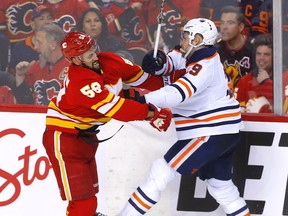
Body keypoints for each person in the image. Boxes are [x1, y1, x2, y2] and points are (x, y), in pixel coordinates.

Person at [118, 18, 250, 216]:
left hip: (209, 132)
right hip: (223, 133)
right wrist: (160, 62)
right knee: (220, 187)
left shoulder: (204, 65)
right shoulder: (193, 54)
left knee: (160, 172)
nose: (182, 40)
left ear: (198, 39)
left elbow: (176, 93)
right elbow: (171, 62)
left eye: (186, 36)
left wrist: (141, 99)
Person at [42, 31, 172, 216]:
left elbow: (146, 81)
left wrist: (167, 73)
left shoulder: (110, 61)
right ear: (77, 60)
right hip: (64, 140)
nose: (95, 55)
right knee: (84, 203)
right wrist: (152, 114)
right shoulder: (81, 82)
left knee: (88, 198)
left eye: (93, 49)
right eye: (89, 54)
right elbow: (118, 108)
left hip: (85, 137)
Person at [14, 23, 69, 105]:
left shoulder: (76, 68)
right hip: (37, 117)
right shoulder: (35, 67)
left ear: (52, 45)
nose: (35, 47)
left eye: (39, 42)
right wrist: (20, 75)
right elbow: (25, 103)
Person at [235, 33, 288, 113]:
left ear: (275, 56)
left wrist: (266, 82)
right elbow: (237, 112)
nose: (261, 58)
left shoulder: (286, 78)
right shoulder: (245, 81)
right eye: (258, 54)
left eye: (266, 54)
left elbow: (284, 108)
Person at [101, 0, 151, 65]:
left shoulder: (137, 2)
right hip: (125, 50)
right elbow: (113, 28)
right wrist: (131, 10)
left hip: (146, 46)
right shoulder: (108, 9)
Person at [216, 6, 254, 90]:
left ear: (241, 27)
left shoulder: (253, 48)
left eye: (230, 23)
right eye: (222, 23)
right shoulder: (217, 49)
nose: (224, 27)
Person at [9, 5, 54, 75]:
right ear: (32, 24)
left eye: (49, 18)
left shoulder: (58, 46)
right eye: (41, 19)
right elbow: (13, 75)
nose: (47, 22)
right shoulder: (19, 47)